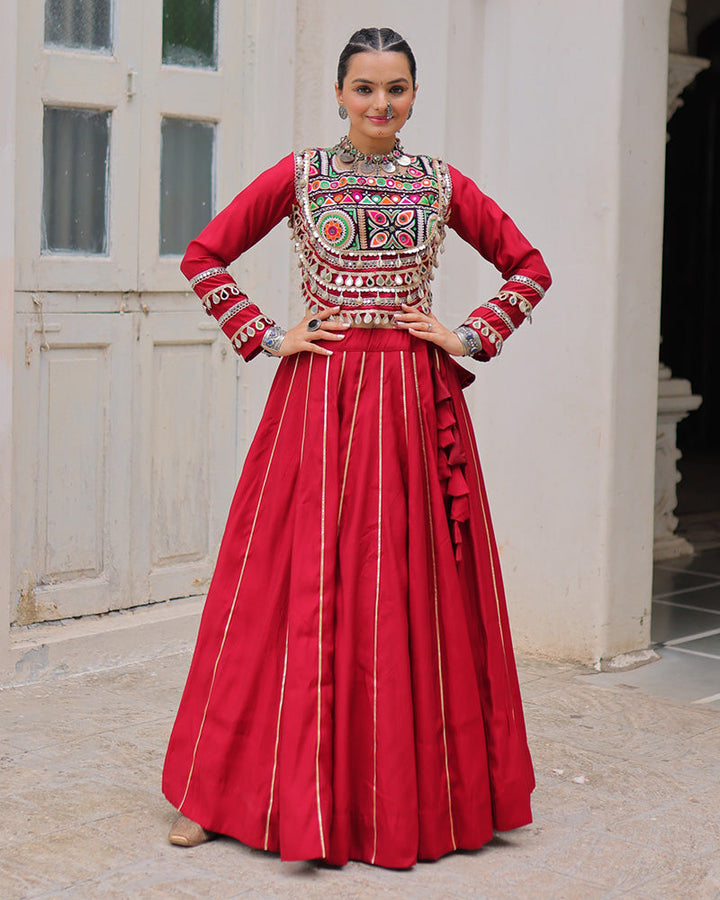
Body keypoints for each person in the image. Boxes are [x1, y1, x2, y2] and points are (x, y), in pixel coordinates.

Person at [162, 26, 551, 869]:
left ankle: (414, 803)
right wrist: (268, 334)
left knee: (408, 594)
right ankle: (218, 792)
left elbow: (528, 268)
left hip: (414, 403)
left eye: (397, 89)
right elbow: (204, 256)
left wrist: (467, 335)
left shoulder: (440, 183)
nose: (381, 104)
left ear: (415, 96)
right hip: (319, 400)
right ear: (339, 93)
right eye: (366, 88)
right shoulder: (301, 175)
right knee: (275, 588)